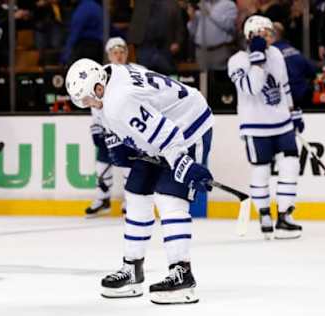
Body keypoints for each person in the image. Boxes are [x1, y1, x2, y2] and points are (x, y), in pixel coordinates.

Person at [65, 57, 215, 304]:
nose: (88, 104)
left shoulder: (119, 101)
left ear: (98, 87)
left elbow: (166, 134)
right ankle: (132, 268)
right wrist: (122, 142)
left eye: (88, 98)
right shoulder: (111, 73)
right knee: (135, 193)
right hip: (164, 130)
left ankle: (182, 274)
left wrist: (181, 162)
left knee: (170, 199)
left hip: (188, 128)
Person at [227, 15, 303, 240]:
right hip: (255, 126)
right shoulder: (237, 61)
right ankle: (264, 215)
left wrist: (293, 111)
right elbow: (251, 87)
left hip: (282, 122)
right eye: (264, 33)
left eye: (270, 32)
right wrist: (257, 60)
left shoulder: (277, 54)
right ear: (251, 35)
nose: (269, 37)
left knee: (291, 163)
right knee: (261, 169)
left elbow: (284, 84)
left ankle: (284, 215)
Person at [85, 37, 131, 217]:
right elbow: (94, 102)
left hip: (128, 130)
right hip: (108, 129)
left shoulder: (135, 72)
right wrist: (96, 127)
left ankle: (131, 201)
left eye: (122, 52)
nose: (119, 56)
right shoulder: (101, 76)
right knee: (101, 166)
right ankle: (103, 198)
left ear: (126, 53)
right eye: (115, 53)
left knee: (129, 168)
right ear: (109, 55)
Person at [271, 22, 316, 108]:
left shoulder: (273, 53)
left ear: (273, 36)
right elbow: (312, 70)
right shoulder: (294, 50)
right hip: (303, 96)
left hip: (287, 99)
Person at [186, 0, 238, 70]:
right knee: (202, 79)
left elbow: (230, 27)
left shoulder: (229, 5)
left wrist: (210, 13)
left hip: (219, 51)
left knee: (219, 79)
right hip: (201, 52)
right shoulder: (203, 4)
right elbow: (193, 32)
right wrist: (192, 18)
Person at [61, 0, 103, 65]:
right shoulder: (97, 7)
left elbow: (74, 33)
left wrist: (65, 55)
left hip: (85, 48)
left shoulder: (83, 9)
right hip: (99, 46)